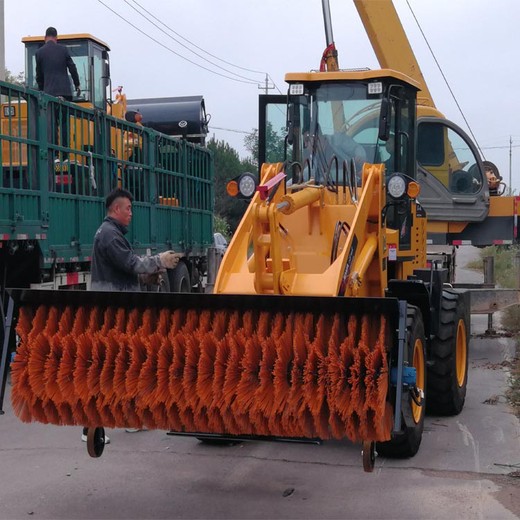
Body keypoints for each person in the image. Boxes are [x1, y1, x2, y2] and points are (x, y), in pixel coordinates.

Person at [81, 187, 181, 443]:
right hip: (113, 311)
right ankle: (95, 424)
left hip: (116, 307)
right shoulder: (109, 236)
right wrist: (159, 261)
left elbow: (126, 270)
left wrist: (146, 276)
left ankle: (127, 417)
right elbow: (131, 264)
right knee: (115, 365)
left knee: (122, 364)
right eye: (128, 208)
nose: (131, 213)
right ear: (116, 209)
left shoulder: (110, 233)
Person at [35, 27, 81, 156]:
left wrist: (42, 89)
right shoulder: (63, 49)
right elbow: (72, 67)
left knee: (52, 123)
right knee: (65, 123)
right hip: (65, 92)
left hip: (49, 93)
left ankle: (54, 154)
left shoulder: (39, 53)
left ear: (45, 38)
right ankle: (65, 154)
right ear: (56, 38)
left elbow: (39, 75)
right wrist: (77, 84)